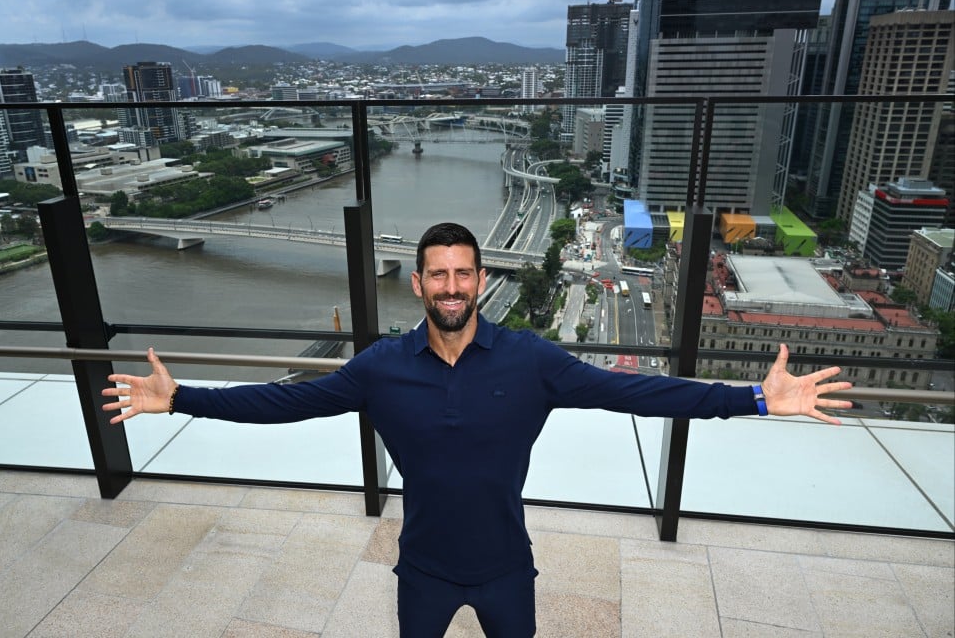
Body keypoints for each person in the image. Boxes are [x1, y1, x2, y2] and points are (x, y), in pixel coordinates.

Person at [102, 221, 852, 637]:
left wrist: (754, 398)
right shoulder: (381, 368)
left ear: (481, 281)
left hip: (506, 570)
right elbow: (283, 402)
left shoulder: (532, 362)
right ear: (420, 281)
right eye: (438, 274)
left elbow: (640, 393)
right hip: (421, 570)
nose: (452, 287)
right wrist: (183, 399)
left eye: (465, 274)